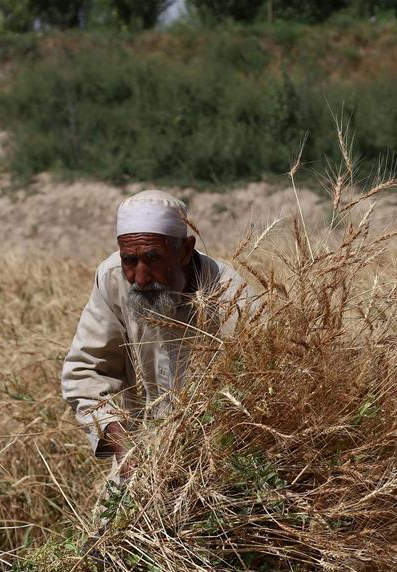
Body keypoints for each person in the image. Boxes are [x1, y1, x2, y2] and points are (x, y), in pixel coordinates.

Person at [61, 189, 253, 527]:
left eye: (152, 258)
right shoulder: (112, 279)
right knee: (107, 545)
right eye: (129, 260)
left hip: (223, 463)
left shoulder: (234, 298)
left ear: (185, 251)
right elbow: (85, 372)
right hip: (140, 460)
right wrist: (124, 447)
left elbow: (257, 391)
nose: (140, 278)